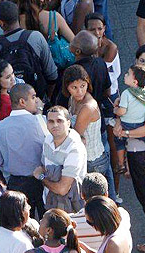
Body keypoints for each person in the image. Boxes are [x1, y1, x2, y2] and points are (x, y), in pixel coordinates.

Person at [113, 44, 145, 253]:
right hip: (140, 149)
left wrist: (123, 133)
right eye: (141, 61)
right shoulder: (140, 86)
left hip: (144, 151)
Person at [0, 83, 49, 218]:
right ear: (22, 102)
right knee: (48, 222)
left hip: (16, 184)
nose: (37, 100)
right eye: (33, 97)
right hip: (43, 180)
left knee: (23, 226)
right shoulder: (42, 122)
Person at [0, 0, 59, 100]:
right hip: (36, 100)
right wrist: (45, 97)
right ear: (18, 17)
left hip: (10, 105)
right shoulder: (36, 37)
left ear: (1, 22)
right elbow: (52, 75)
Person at [85, 12, 123, 202]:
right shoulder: (86, 46)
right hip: (96, 97)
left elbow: (103, 77)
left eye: (100, 28)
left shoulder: (110, 47)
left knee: (112, 143)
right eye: (93, 29)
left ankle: (115, 192)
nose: (98, 32)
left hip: (109, 98)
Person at [63, 64, 115, 198]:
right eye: (74, 87)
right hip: (84, 157)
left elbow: (74, 135)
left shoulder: (88, 106)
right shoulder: (72, 99)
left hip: (93, 161)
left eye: (83, 86)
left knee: (97, 203)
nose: (79, 91)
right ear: (67, 87)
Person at [34, 105, 88, 213]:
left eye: (60, 121)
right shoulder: (48, 139)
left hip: (70, 209)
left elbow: (62, 189)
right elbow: (44, 167)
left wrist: (41, 177)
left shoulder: (74, 149)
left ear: (68, 123)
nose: (55, 125)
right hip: (50, 202)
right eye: (51, 121)